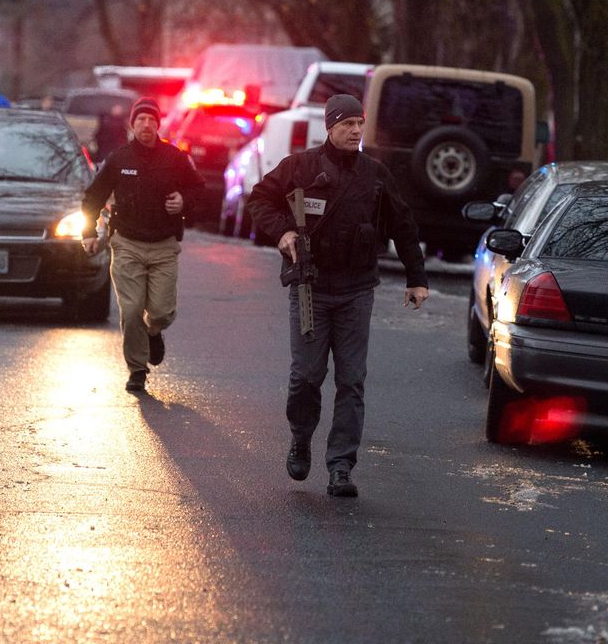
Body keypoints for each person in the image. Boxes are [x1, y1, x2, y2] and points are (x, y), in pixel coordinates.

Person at [247, 94, 430, 498]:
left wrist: (417, 278)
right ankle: (300, 437)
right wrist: (284, 233)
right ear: (329, 127)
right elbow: (259, 199)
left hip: (357, 289)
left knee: (352, 381)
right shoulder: (300, 167)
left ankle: (341, 465)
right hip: (310, 287)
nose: (355, 131)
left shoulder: (375, 174)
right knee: (306, 376)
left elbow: (403, 224)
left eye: (360, 124)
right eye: (347, 124)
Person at [81, 97, 204, 392]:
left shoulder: (174, 158)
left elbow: (199, 190)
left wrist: (184, 202)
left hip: (163, 245)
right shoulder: (119, 159)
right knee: (132, 309)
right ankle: (137, 369)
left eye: (152, 120)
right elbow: (93, 197)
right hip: (126, 244)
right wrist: (88, 231)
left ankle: (154, 331)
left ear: (158, 124)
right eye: (141, 120)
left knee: (161, 311)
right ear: (132, 124)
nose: (146, 125)